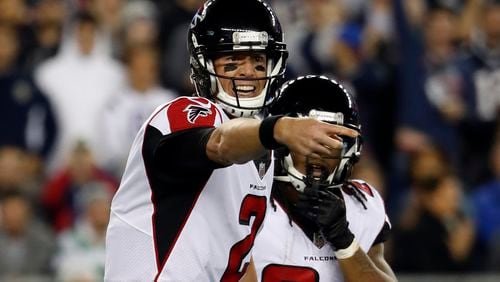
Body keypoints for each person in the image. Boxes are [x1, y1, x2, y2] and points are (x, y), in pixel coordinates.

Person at [104, 1, 358, 281]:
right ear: (204, 65)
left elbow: (239, 265)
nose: (247, 72)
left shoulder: (263, 155)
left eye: (258, 62)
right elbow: (218, 144)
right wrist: (278, 129)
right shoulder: (179, 112)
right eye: (233, 61)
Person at [251, 75, 396, 281]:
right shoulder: (250, 197)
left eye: (333, 141)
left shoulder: (361, 205)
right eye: (310, 141)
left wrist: (343, 239)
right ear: (280, 142)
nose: (321, 152)